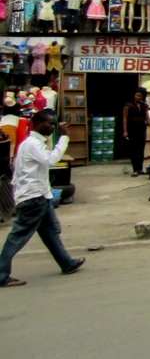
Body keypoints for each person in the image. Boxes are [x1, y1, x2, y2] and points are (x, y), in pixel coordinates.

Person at [0, 110, 85, 287]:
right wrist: (63, 138)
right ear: (37, 123)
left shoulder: (31, 144)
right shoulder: (32, 144)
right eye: (49, 124)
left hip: (40, 195)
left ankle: (66, 263)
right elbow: (51, 160)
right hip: (33, 198)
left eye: (54, 124)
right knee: (18, 236)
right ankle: (1, 273)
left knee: (50, 231)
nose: (52, 127)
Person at [123, 87, 150, 177]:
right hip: (132, 130)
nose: (138, 97)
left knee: (141, 150)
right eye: (137, 95)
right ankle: (135, 170)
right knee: (133, 150)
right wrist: (125, 131)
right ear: (134, 95)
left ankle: (140, 169)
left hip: (142, 130)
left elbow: (147, 118)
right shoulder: (128, 105)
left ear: (143, 97)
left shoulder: (144, 106)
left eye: (140, 96)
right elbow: (125, 119)